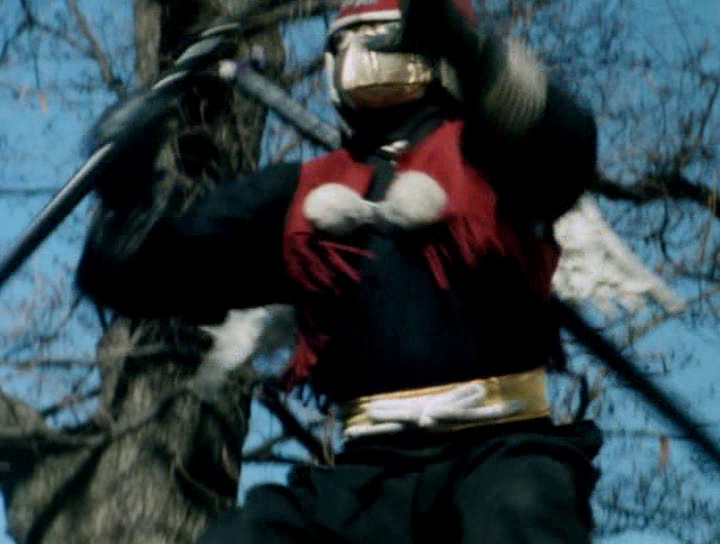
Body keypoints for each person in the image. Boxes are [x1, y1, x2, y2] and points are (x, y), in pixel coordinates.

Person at [76, 0, 602, 542]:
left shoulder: (495, 161)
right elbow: (152, 276)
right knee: (250, 535)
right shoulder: (297, 196)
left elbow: (564, 146)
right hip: (368, 474)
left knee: (519, 515)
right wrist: (125, 193)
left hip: (503, 451)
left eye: (377, 36)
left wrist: (475, 52)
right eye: (344, 41)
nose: (359, 56)